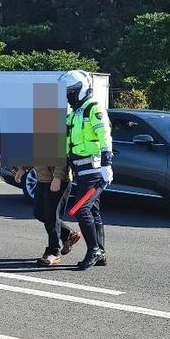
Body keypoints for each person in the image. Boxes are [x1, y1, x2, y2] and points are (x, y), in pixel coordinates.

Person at [59, 70, 113, 270]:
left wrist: (107, 163)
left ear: (82, 90)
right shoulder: (73, 114)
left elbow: (105, 135)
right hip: (80, 171)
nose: (68, 95)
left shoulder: (94, 108)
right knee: (93, 211)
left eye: (71, 91)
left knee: (81, 209)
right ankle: (101, 253)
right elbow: (65, 143)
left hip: (94, 170)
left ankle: (93, 250)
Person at [14, 165, 82, 266]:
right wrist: (23, 168)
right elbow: (36, 152)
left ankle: (54, 252)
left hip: (57, 180)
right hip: (42, 179)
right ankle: (68, 234)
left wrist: (57, 177)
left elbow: (61, 157)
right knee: (39, 213)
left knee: (52, 217)